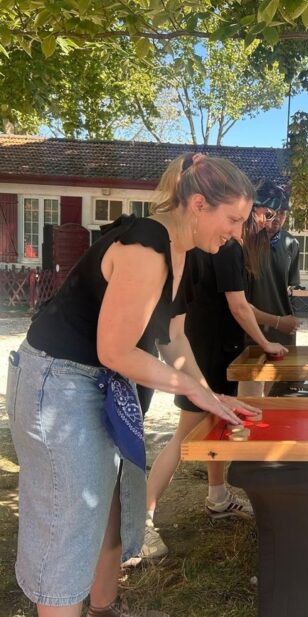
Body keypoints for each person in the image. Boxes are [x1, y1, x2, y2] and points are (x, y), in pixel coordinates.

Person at [5, 153, 261, 617]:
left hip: (102, 385)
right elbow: (116, 351)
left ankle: (103, 608)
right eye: (234, 219)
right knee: (70, 523)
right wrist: (198, 392)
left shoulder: (189, 254)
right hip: (58, 384)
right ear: (199, 204)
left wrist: (207, 394)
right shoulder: (147, 246)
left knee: (112, 510)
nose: (238, 233)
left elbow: (174, 337)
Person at [137, 200, 289, 562]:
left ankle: (217, 498)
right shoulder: (225, 249)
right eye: (241, 218)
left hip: (216, 350)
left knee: (219, 429)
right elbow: (239, 306)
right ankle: (141, 519)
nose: (239, 229)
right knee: (186, 437)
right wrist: (267, 341)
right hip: (203, 356)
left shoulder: (217, 246)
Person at [238, 181, 302, 398]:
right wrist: (275, 321)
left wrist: (289, 320)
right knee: (250, 402)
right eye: (273, 213)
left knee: (278, 399)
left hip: (283, 333)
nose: (278, 219)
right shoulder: (241, 245)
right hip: (249, 334)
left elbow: (287, 288)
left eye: (284, 213)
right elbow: (238, 303)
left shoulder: (291, 244)